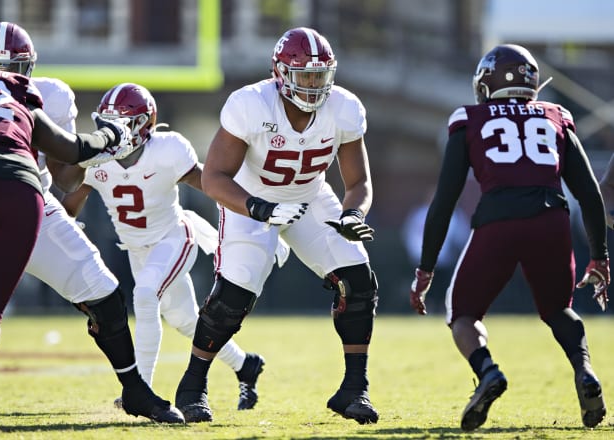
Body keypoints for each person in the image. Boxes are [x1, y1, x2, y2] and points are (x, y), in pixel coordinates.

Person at [172, 27, 379, 425]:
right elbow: (214, 177)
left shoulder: (345, 108)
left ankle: (355, 388)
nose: (315, 85)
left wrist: (353, 215)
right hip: (249, 199)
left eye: (321, 76)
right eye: (306, 76)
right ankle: (192, 385)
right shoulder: (252, 105)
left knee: (358, 279)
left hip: (310, 197)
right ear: (281, 74)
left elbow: (358, 184)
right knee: (234, 293)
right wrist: (258, 208)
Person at [0, 38, 162, 418]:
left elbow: (65, 178)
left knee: (102, 293)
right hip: (21, 198)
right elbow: (72, 149)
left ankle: (135, 391)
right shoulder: (16, 92)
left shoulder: (48, 92)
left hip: (23, 203)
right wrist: (109, 139)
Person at [408, 43, 609, 431]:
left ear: (486, 83)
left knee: (462, 313)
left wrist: (426, 268)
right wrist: (599, 255)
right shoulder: (555, 116)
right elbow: (589, 192)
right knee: (559, 308)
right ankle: (584, 371)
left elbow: (444, 200)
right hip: (552, 218)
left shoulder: (469, 119)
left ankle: (487, 372)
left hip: (498, 219)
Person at [60, 82, 271, 412]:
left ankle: (138, 390)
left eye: (123, 124)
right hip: (136, 249)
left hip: (173, 237)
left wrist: (250, 214)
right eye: (107, 123)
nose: (112, 132)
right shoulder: (95, 161)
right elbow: (68, 207)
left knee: (144, 296)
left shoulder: (168, 149)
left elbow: (212, 183)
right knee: (186, 320)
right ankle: (246, 365)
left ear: (144, 126)